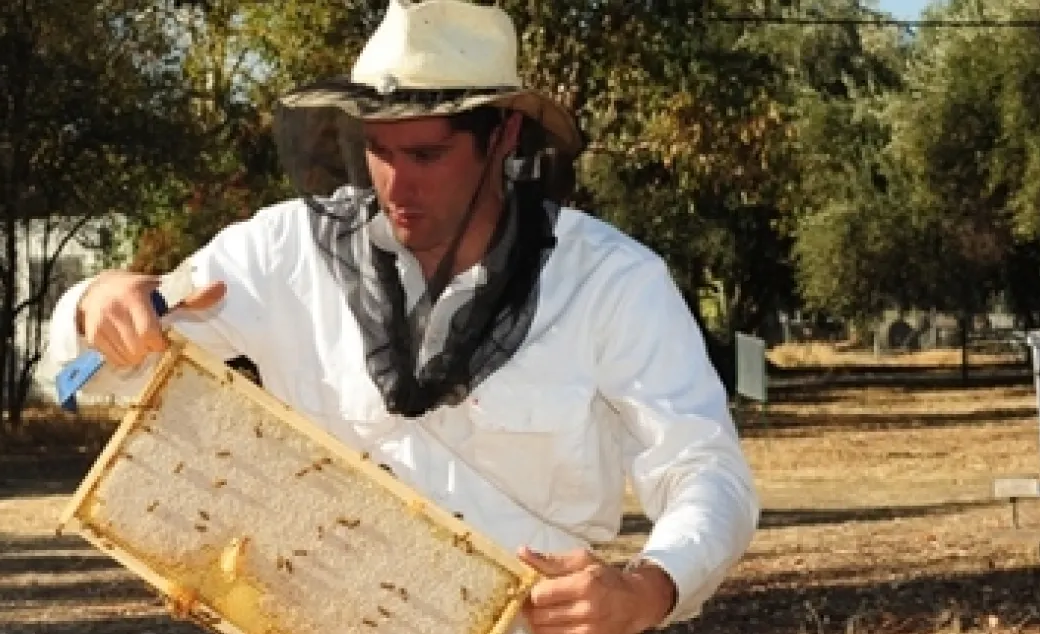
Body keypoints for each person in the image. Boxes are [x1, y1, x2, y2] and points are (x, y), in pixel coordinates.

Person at [41, 1, 760, 633]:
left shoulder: (612, 283)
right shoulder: (279, 252)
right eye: (377, 151)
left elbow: (705, 470)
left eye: (425, 153)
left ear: (503, 136)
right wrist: (97, 302)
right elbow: (88, 375)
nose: (394, 182)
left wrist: (649, 587)